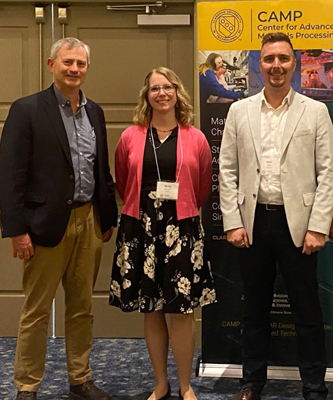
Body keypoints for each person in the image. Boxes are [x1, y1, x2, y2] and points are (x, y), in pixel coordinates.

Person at [0, 37, 117, 400]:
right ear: (52, 65)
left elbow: (101, 168)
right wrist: (17, 230)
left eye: (80, 64)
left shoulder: (94, 111)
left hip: (89, 221)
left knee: (81, 308)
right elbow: (10, 175)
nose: (74, 69)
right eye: (67, 62)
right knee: (36, 311)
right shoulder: (27, 109)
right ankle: (27, 386)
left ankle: (80, 379)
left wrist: (107, 216)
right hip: (44, 226)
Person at [219, 32, 333, 400]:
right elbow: (227, 170)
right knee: (254, 309)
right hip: (253, 222)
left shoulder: (316, 111)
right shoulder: (239, 110)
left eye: (283, 58)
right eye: (269, 59)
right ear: (259, 64)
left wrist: (319, 226)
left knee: (307, 312)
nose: (276, 66)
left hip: (299, 226)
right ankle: (251, 382)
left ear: (294, 63)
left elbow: (327, 172)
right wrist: (233, 221)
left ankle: (314, 387)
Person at [109, 67, 216, 400]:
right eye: (154, 88)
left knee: (182, 311)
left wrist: (177, 211)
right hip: (140, 230)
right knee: (151, 308)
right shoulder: (130, 136)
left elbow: (202, 187)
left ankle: (185, 385)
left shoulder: (195, 137)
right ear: (147, 95)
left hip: (182, 229)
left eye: (167, 87)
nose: (161, 93)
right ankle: (160, 383)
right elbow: (123, 182)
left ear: (177, 92)